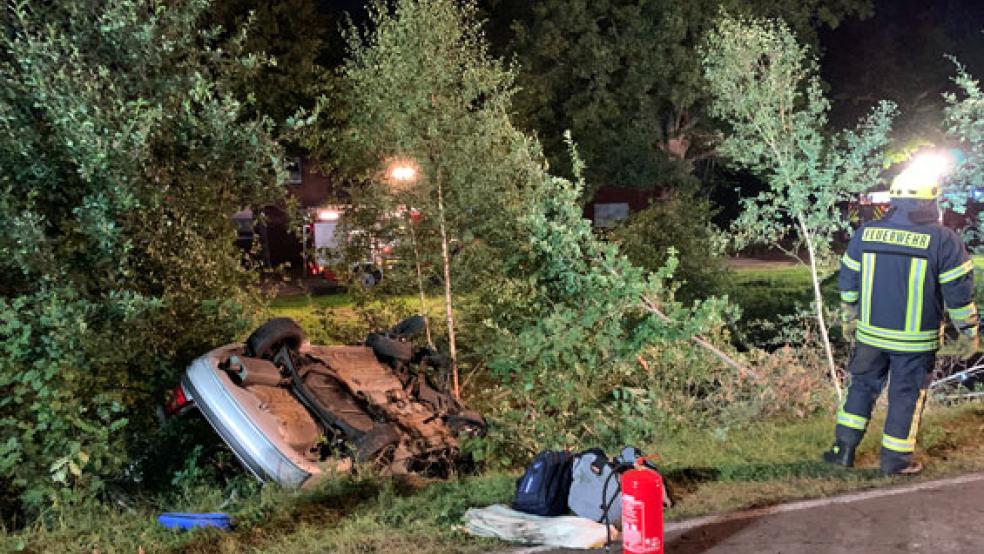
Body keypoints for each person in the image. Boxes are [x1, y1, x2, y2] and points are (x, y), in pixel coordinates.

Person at [824, 166, 979, 475]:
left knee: (861, 388)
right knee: (906, 395)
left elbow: (848, 282)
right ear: (931, 200)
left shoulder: (866, 233)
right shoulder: (942, 239)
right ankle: (895, 461)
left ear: (893, 199)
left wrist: (850, 319)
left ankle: (843, 450)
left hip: (870, 335)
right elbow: (958, 294)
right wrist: (969, 333)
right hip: (914, 340)